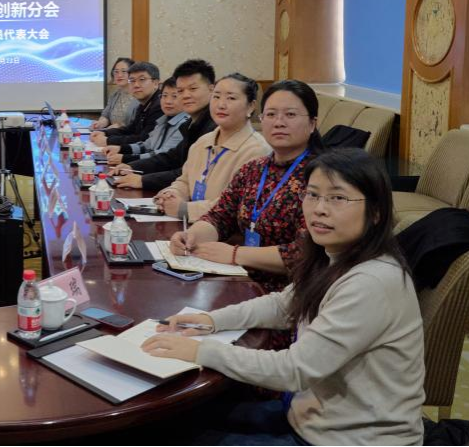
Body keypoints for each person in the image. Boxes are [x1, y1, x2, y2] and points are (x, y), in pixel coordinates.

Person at [145, 148, 425, 446]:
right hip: (309, 416)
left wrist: (200, 351)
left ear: (377, 212)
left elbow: (295, 370)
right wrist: (210, 321)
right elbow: (283, 305)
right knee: (176, 421)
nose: (319, 209)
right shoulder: (332, 255)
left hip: (350, 438)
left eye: (338, 198)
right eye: (312, 195)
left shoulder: (371, 281)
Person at [169, 80, 325, 293]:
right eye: (271, 114)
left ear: (312, 123)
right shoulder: (254, 169)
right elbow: (219, 216)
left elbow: (307, 251)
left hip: (291, 292)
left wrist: (236, 254)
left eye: (290, 115)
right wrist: (191, 236)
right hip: (239, 280)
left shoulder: (323, 179)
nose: (279, 122)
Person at [155, 73, 270, 221]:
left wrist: (185, 209)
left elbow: (237, 205)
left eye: (231, 98)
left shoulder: (257, 150)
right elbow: (185, 181)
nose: (221, 104)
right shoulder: (203, 142)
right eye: (216, 97)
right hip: (190, 224)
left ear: (251, 106)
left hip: (222, 232)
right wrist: (171, 195)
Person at [109, 58, 218, 191]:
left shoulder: (214, 127)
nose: (186, 95)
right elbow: (171, 158)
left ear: (211, 89)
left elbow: (189, 172)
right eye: (180, 91)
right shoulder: (190, 123)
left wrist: (143, 180)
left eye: (193, 89)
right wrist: (132, 166)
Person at [104, 76, 189, 165]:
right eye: (164, 96)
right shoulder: (163, 120)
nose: (168, 101)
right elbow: (147, 145)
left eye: (174, 96)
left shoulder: (185, 125)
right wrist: (120, 149)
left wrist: (125, 158)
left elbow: (164, 155)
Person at [90, 61, 163, 148]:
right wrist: (104, 132)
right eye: (132, 80)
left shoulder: (160, 105)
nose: (136, 85)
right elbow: (130, 130)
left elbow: (144, 139)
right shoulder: (143, 104)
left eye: (142, 79)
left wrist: (108, 141)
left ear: (155, 83)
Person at [94, 57, 138, 129]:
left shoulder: (139, 95)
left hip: (129, 134)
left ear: (132, 74)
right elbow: (106, 115)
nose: (119, 75)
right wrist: (101, 123)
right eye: (116, 72)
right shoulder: (115, 95)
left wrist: (119, 126)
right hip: (113, 133)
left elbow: (138, 122)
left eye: (124, 71)